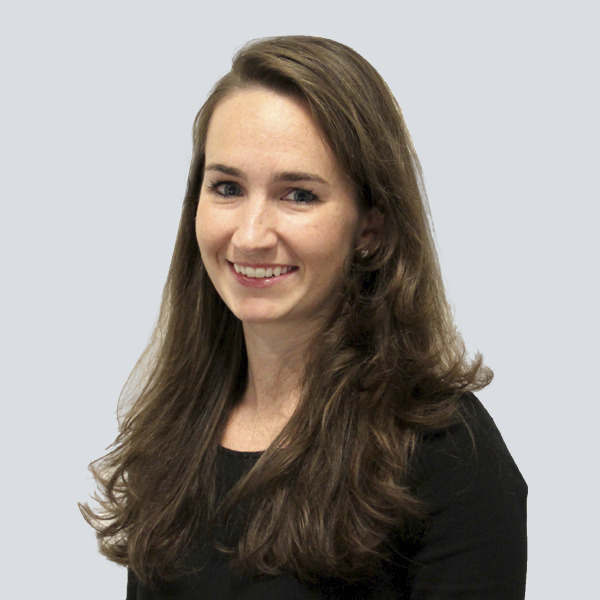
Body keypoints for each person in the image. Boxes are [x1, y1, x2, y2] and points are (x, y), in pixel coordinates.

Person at [81, 36, 527, 599]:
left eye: (297, 195)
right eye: (227, 188)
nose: (249, 235)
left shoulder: (445, 449)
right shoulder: (176, 432)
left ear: (371, 227)